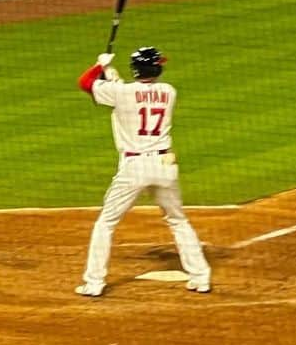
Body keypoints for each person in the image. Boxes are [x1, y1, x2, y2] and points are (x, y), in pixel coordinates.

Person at [75, 46, 210, 298]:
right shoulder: (169, 92)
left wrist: (99, 65)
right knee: (178, 221)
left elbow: (85, 83)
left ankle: (94, 283)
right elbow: (136, 96)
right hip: (164, 165)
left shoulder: (121, 93)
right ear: (156, 68)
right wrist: (111, 76)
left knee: (106, 223)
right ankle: (200, 277)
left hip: (134, 168)